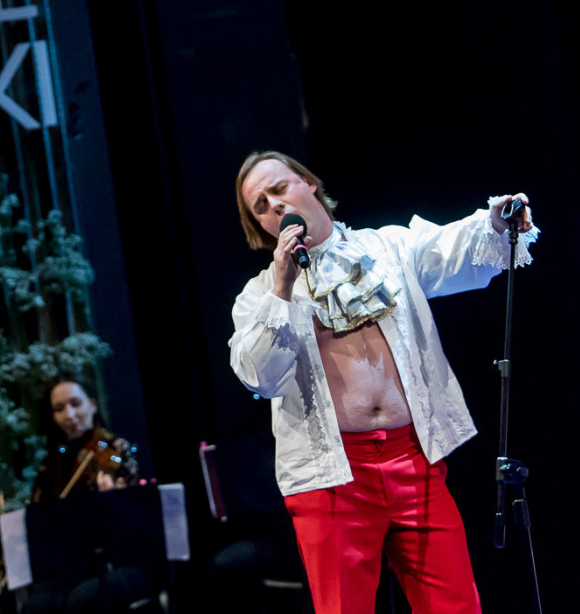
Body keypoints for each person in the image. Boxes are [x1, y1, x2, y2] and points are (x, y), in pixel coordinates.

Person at [227, 150, 537, 613]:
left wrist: (493, 223)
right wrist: (283, 289)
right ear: (261, 226)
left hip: (413, 459)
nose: (274, 204)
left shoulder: (386, 248)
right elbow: (261, 377)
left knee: (456, 604)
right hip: (333, 478)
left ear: (309, 184)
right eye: (260, 205)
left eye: (279, 188)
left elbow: (448, 249)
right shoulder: (258, 296)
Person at [0, 376, 158, 614]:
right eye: (59, 409)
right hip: (74, 568)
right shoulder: (51, 466)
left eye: (76, 404)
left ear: (92, 405)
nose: (69, 415)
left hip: (120, 563)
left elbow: (138, 519)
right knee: (36, 606)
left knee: (82, 599)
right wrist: (0, 573)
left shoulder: (115, 451)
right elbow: (37, 524)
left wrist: (112, 499)